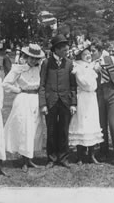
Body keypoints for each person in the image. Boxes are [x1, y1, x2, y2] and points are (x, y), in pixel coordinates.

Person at [3, 44, 45, 171]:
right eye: (31, 58)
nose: (33, 61)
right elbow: (6, 83)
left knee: (34, 128)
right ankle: (23, 160)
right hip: (23, 99)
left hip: (35, 100)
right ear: (26, 57)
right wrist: (18, 89)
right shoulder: (18, 69)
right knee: (23, 128)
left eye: (36, 59)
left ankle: (29, 159)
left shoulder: (40, 70)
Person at [39, 35, 77, 169]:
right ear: (56, 49)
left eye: (67, 50)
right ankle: (51, 158)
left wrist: (73, 103)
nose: (67, 52)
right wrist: (43, 104)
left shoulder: (70, 63)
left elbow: (73, 86)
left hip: (65, 102)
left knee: (64, 131)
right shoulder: (46, 63)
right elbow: (42, 85)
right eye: (64, 50)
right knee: (51, 131)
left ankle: (64, 158)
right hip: (51, 102)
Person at [68, 46, 103, 165]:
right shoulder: (77, 67)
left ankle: (91, 155)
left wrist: (94, 70)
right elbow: (86, 84)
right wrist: (93, 72)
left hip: (92, 98)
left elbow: (95, 85)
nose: (88, 56)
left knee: (92, 124)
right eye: (85, 54)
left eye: (89, 54)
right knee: (81, 124)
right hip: (83, 97)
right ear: (80, 56)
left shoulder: (93, 65)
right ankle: (80, 156)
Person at [93, 42, 114, 168]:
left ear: (100, 50)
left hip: (111, 91)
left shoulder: (110, 58)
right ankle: (103, 150)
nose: (91, 53)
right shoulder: (90, 62)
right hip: (98, 92)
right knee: (101, 123)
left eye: (94, 50)